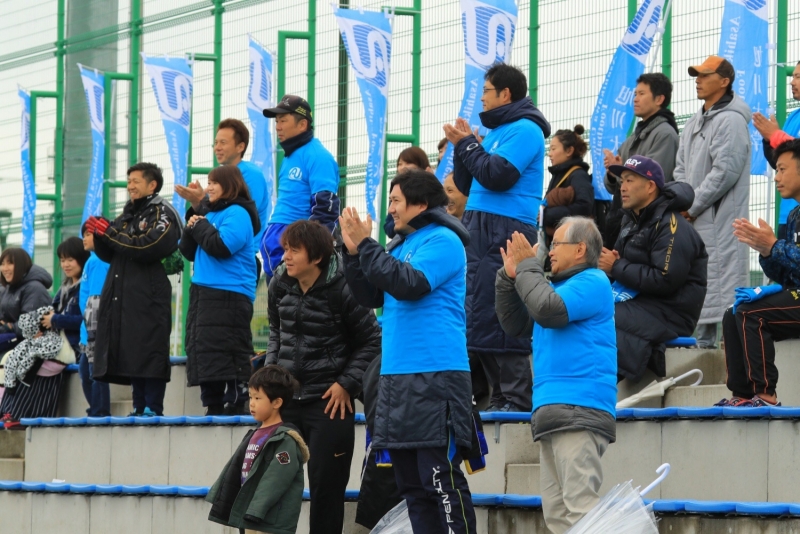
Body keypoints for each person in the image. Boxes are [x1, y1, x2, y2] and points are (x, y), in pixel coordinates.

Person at [341, 170, 476, 534]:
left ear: (420, 204)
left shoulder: (444, 240)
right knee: (412, 487)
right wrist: (353, 254)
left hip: (437, 375)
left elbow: (409, 283)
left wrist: (367, 246)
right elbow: (371, 295)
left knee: (440, 480)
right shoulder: (399, 245)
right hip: (397, 378)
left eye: (397, 201)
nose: (391, 210)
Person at [495, 218, 616, 534]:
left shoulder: (593, 281)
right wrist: (510, 277)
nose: (548, 252)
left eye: (556, 243)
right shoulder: (556, 288)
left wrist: (527, 268)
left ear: (580, 249)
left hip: (580, 409)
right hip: (554, 411)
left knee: (581, 512)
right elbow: (516, 324)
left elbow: (547, 310)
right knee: (557, 515)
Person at [444, 62, 551, 413]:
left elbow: (498, 175)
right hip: (481, 225)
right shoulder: (498, 132)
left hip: (506, 228)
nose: (481, 100)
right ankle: (498, 397)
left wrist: (471, 146)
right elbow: (465, 184)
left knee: (503, 308)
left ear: (505, 94)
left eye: (486, 92)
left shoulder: (525, 129)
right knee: (480, 311)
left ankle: (517, 400)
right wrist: (464, 147)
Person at [266, 220, 380, 534]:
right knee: (269, 487)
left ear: (316, 257)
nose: (285, 256)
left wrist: (346, 384)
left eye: (294, 250)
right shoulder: (279, 282)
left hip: (329, 404)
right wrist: (271, 381)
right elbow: (277, 333)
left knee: (325, 491)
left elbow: (372, 340)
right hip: (286, 401)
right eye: (285, 248)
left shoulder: (346, 286)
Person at [599, 156, 708, 382]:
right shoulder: (632, 221)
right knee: (586, 307)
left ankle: (614, 381)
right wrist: (613, 266)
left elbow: (664, 279)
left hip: (671, 313)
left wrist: (617, 266)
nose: (623, 187)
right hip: (642, 303)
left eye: (630, 180)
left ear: (650, 187)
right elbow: (622, 267)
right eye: (622, 181)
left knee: (602, 316)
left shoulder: (671, 225)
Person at [88, 162, 182, 417]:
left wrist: (111, 233)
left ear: (152, 185)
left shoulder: (163, 213)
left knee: (149, 348)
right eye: (128, 181)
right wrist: (99, 234)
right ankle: (139, 406)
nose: (130, 186)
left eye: (136, 181)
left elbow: (146, 246)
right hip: (123, 296)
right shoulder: (129, 214)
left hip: (148, 296)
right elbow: (112, 251)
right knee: (131, 350)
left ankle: (153, 407)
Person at [673, 55, 751, 349]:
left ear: (724, 81)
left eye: (705, 75)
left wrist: (690, 206)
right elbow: (680, 168)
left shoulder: (730, 120)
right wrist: (683, 201)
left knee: (722, 291)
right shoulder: (694, 121)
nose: (698, 80)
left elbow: (724, 173)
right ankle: (702, 351)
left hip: (717, 221)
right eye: (697, 75)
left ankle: (719, 355)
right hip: (694, 219)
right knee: (703, 289)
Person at [719, 139, 800, 407]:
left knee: (752, 313)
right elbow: (788, 276)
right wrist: (766, 251)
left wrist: (775, 245)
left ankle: (766, 395)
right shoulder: (794, 216)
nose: (776, 177)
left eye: (782, 169)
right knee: (734, 312)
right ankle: (742, 395)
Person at [180, 165, 260, 416]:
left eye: (215, 182)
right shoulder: (212, 213)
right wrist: (193, 218)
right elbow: (188, 251)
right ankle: (212, 404)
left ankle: (237, 400)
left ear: (231, 185)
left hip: (230, 293)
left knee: (229, 348)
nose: (209, 187)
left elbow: (222, 245)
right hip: (204, 292)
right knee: (204, 350)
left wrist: (199, 224)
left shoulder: (238, 212)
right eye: (208, 182)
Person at [206, 365, 309, 533]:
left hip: (267, 521)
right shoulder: (253, 434)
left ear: (277, 402)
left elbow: (275, 480)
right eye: (250, 397)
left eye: (258, 398)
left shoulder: (285, 439)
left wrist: (255, 510)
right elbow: (233, 471)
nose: (251, 403)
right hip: (249, 517)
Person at [1, 240, 87, 428]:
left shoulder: (84, 288)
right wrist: (42, 326)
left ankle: (20, 414)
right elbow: (48, 314)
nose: (65, 264)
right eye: (62, 260)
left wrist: (54, 321)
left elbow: (85, 320)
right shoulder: (64, 288)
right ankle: (8, 411)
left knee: (32, 359)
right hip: (55, 342)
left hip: (72, 346)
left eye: (70, 259)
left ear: (82, 259)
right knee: (16, 356)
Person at [175, 118, 270, 280]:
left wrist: (202, 200)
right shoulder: (222, 177)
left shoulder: (250, 174)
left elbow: (241, 213)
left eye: (223, 142)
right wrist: (198, 202)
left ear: (240, 146)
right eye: (215, 143)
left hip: (238, 259)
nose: (217, 148)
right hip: (212, 255)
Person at [260, 95, 340, 277]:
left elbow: (325, 209)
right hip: (280, 240)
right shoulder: (290, 155)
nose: (277, 127)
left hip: (293, 243)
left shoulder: (318, 156)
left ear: (302, 124)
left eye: (283, 120)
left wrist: (307, 248)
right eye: (276, 121)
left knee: (295, 302)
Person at [602, 72, 680, 248]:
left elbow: (655, 182)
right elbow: (611, 187)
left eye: (642, 94)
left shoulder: (665, 134)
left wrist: (619, 170)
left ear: (659, 99)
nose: (635, 99)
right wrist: (612, 172)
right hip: (625, 221)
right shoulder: (633, 137)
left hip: (646, 224)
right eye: (635, 94)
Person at [753, 61, 800, 239]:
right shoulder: (794, 115)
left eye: (798, 77)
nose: (792, 82)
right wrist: (768, 139)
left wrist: (776, 136)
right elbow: (779, 162)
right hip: (787, 215)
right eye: (793, 76)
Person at [78, 224, 111, 417]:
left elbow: (95, 300)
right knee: (85, 372)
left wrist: (92, 331)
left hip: (93, 327)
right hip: (87, 328)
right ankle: (96, 409)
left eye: (89, 234)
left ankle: (100, 411)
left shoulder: (98, 261)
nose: (84, 238)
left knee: (94, 372)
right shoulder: (92, 260)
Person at [542, 125, 594, 239]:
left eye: (553, 149)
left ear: (569, 150)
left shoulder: (578, 175)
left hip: (571, 241)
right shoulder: (559, 174)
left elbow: (584, 207)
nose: (550, 153)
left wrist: (546, 215)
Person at [0, 248, 52, 345]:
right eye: (2, 264)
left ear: (21, 265)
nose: (5, 268)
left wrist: (9, 327)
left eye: (10, 263)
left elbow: (31, 323)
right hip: (12, 337)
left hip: (29, 343)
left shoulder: (34, 288)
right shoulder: (7, 287)